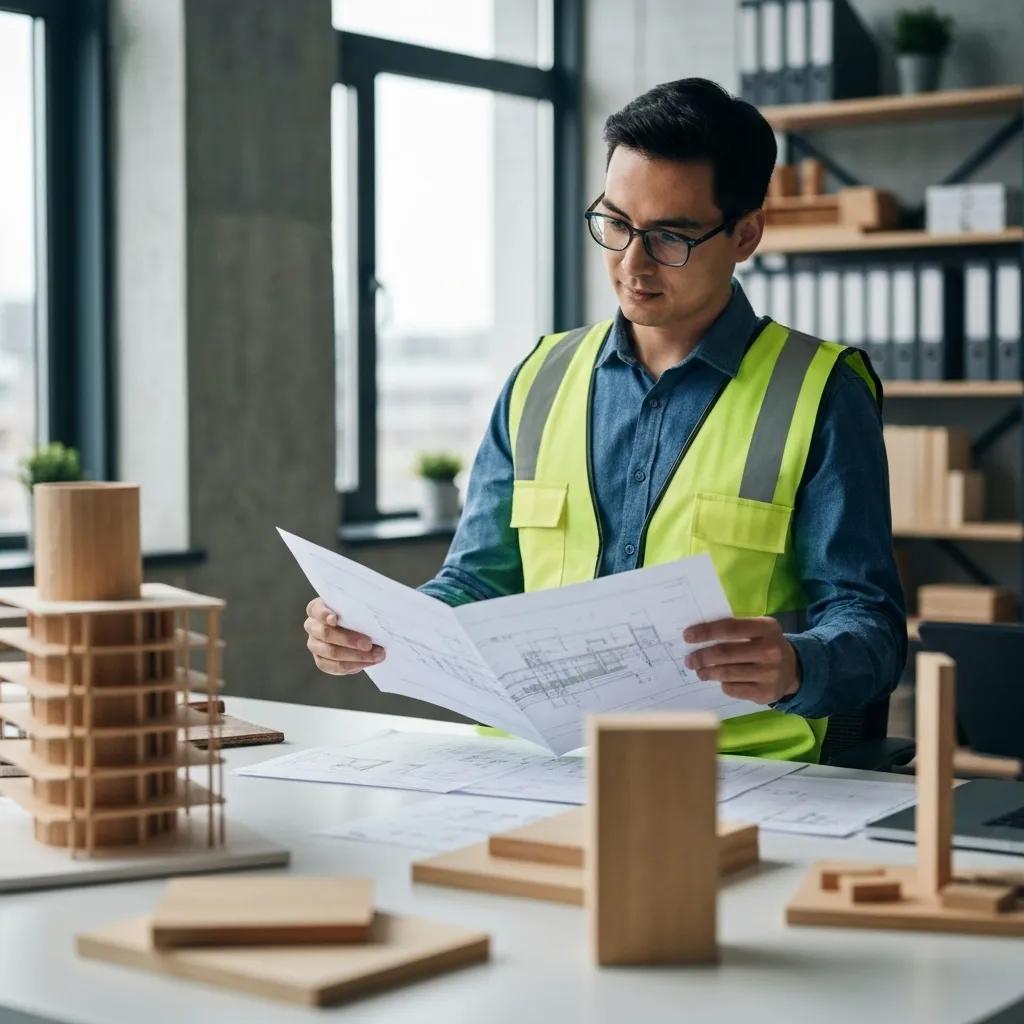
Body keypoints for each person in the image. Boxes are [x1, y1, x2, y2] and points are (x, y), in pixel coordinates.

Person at [304, 77, 907, 762]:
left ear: (745, 235)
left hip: (734, 774)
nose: (631, 264)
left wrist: (798, 665)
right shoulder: (540, 377)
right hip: (531, 764)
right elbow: (477, 581)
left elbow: (872, 628)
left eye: (670, 237)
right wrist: (385, 629)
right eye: (615, 225)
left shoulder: (822, 392)